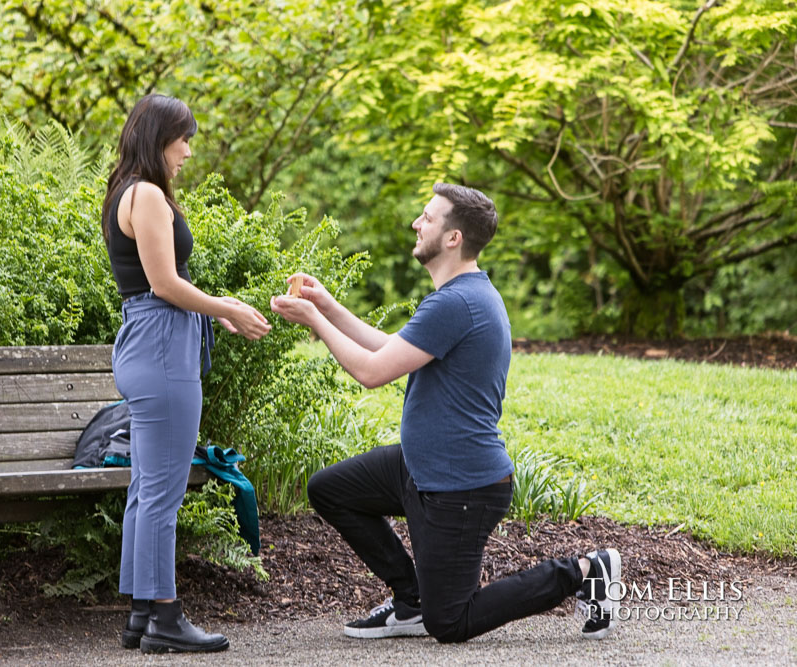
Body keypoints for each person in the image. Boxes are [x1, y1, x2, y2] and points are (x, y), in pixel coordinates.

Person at [270, 183, 622, 643]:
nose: (417, 223)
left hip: (463, 485)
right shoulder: (461, 295)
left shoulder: (458, 302)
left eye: (427, 217)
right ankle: (410, 599)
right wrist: (327, 305)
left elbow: (373, 372)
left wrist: (314, 322)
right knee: (331, 490)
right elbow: (391, 348)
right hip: (423, 467)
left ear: (453, 238)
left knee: (451, 623)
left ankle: (583, 571)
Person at [102, 93, 271, 654]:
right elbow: (164, 284)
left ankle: (141, 613)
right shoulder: (146, 194)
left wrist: (210, 317)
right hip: (161, 350)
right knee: (163, 493)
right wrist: (227, 307)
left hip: (148, 341)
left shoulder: (124, 190)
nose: (189, 152)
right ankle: (166, 619)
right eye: (184, 140)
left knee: (146, 488)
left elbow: (159, 290)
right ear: (160, 139)